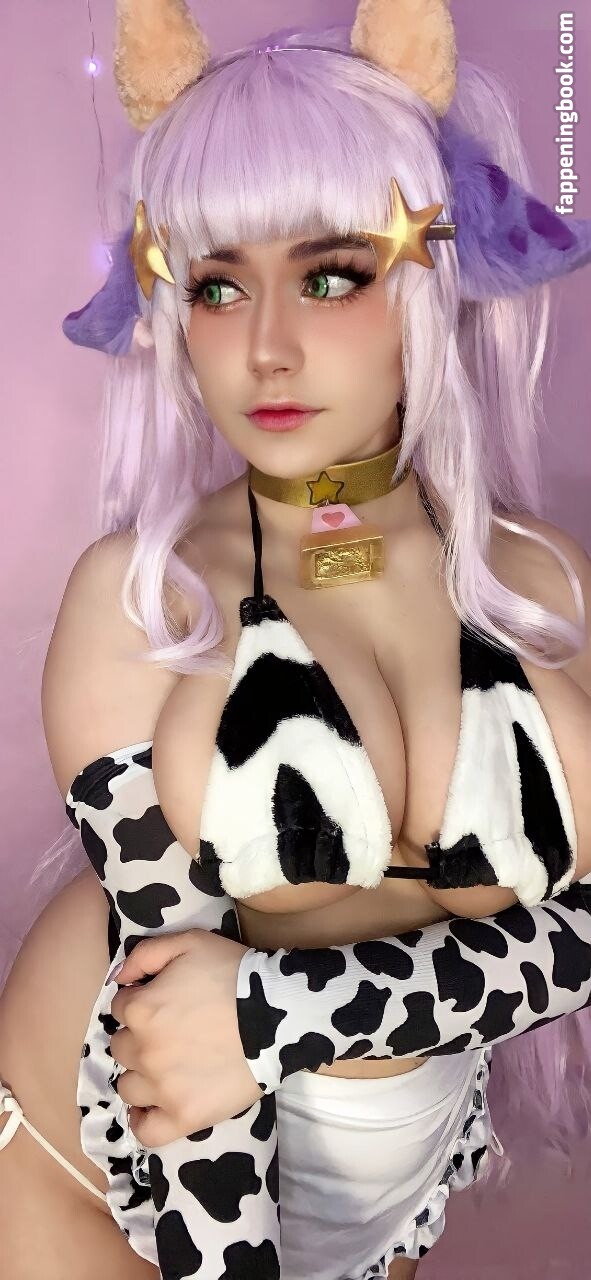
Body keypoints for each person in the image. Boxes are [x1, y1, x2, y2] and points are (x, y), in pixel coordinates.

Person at [2, 3, 591, 1279]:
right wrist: (261, 1017)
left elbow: (237, 1013)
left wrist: (276, 1007)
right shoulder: (145, 598)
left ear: (429, 271)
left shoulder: (540, 581)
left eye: (331, 274)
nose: (266, 346)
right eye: (218, 285)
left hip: (398, 1167)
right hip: (102, 1167)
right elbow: (179, 1040)